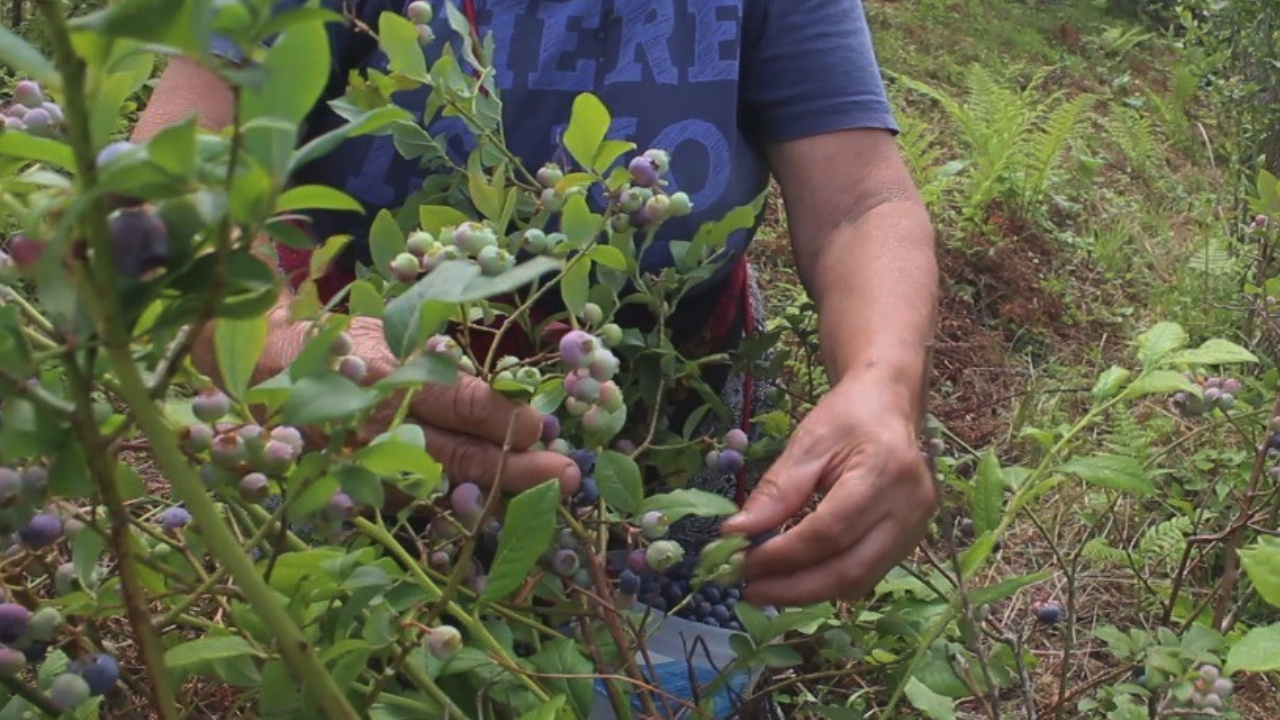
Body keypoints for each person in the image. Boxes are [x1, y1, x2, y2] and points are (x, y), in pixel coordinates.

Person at [131, 0, 940, 609]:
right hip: (356, 405)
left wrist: (882, 382)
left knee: (664, 624)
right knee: (371, 633)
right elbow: (160, 189)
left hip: (672, 404)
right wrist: (280, 349)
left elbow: (860, 205)